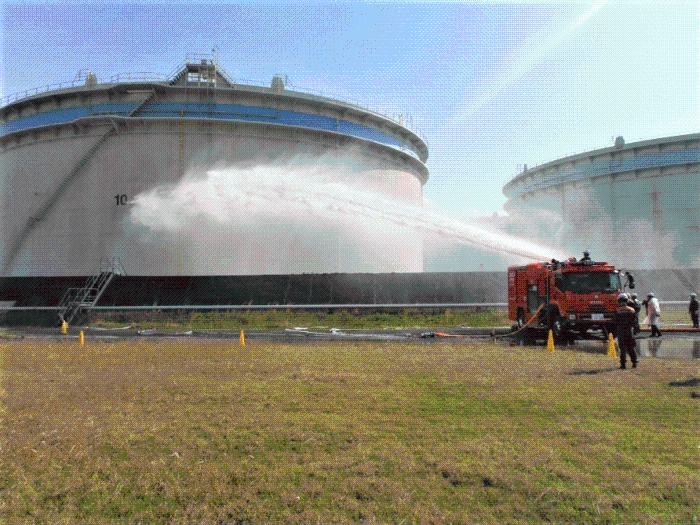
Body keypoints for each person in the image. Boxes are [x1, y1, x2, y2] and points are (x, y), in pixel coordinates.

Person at [615, 293, 638, 369]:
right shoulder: (632, 310)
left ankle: (623, 365)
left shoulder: (617, 310)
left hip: (621, 331)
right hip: (629, 330)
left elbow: (614, 321)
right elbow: (635, 322)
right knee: (631, 347)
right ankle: (634, 362)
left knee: (623, 348)